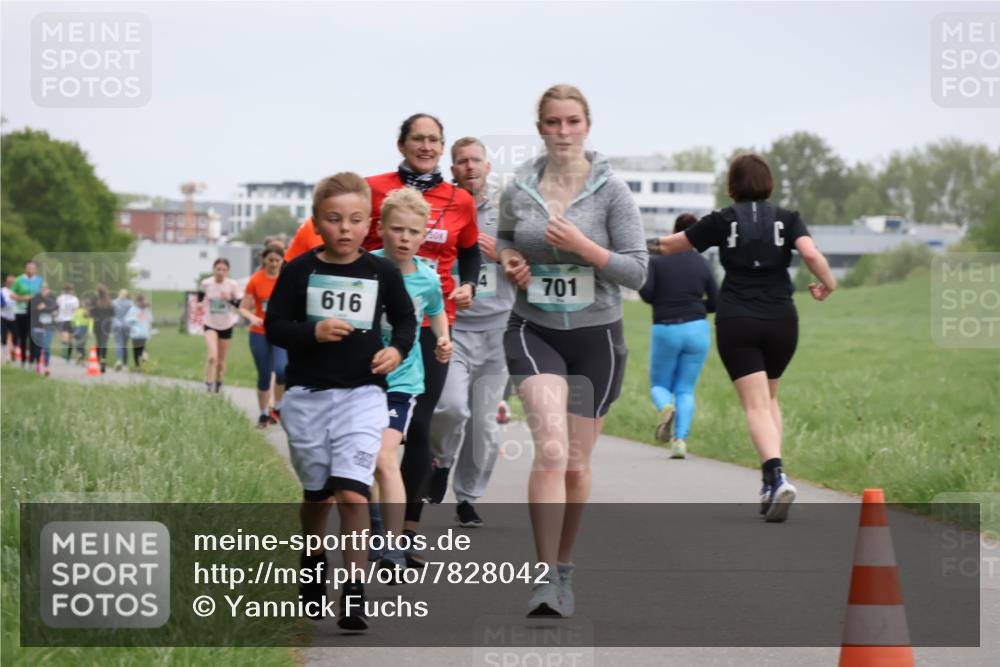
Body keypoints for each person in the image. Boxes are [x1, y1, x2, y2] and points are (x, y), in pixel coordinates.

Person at [287, 113, 481, 550]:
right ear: (401, 144)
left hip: (430, 319)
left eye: (434, 140)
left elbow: (470, 254)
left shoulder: (460, 201)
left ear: (441, 146)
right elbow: (334, 228)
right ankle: (374, 523)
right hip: (370, 322)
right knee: (374, 433)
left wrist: (467, 285)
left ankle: (405, 532)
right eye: (418, 139)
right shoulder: (373, 188)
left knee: (424, 421)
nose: (426, 146)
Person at [496, 84, 648, 617]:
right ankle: (541, 578)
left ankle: (563, 568)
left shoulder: (613, 192)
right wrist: (513, 259)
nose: (563, 132)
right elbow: (502, 240)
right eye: (553, 123)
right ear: (540, 128)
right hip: (533, 329)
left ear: (588, 125)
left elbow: (638, 269)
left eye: (572, 122)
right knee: (553, 449)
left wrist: (584, 248)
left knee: (578, 461)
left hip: (597, 336)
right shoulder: (519, 185)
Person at [647, 152, 837, 523]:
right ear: (769, 183)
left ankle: (775, 474)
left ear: (732, 186)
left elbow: (670, 245)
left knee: (755, 406)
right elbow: (811, 253)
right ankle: (772, 483)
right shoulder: (788, 218)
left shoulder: (723, 219)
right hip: (782, 319)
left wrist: (621, 246)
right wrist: (828, 283)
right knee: (769, 398)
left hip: (739, 320)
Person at [265, 172, 416, 630]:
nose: (345, 229)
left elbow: (407, 323)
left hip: (364, 395)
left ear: (368, 222)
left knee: (352, 489)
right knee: (318, 495)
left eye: (354, 220)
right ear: (317, 222)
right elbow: (274, 326)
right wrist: (312, 331)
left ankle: (354, 588)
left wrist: (397, 350)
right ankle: (313, 563)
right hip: (308, 397)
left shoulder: (381, 272)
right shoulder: (299, 271)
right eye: (334, 220)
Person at [427, 137, 516, 528]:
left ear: (488, 167)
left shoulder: (509, 211)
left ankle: (468, 497)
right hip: (454, 326)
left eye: (476, 160)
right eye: (461, 161)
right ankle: (440, 461)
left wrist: (504, 253)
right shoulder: (444, 207)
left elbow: (534, 261)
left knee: (483, 422)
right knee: (450, 408)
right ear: (453, 168)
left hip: (499, 328)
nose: (469, 167)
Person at [369, 187, 452, 572]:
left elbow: (436, 311)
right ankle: (372, 530)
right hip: (362, 377)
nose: (404, 238)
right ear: (381, 228)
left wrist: (443, 338)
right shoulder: (364, 267)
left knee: (385, 455)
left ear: (424, 236)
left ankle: (391, 542)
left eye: (413, 232)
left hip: (403, 380)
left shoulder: (427, 277)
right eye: (397, 229)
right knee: (365, 459)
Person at [639, 213, 719, 458]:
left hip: (666, 328)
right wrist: (694, 309)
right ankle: (679, 442)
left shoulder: (657, 260)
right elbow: (715, 301)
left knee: (659, 385)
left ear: (675, 232)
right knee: (685, 389)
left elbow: (647, 294)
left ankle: (666, 408)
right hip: (697, 330)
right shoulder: (703, 264)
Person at [239, 245, 288, 428]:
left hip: (280, 331)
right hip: (259, 333)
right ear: (264, 260)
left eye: (278, 260)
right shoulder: (256, 280)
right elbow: (243, 307)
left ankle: (278, 407)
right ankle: (263, 414)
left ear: (282, 261)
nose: (274, 264)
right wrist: (252, 317)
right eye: (270, 260)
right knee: (264, 375)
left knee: (282, 369)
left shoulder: (286, 278)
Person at [199, 258, 242, 393]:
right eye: (218, 269)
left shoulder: (232, 285)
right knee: (212, 356)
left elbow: (241, 305)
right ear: (214, 269)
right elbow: (199, 299)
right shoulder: (206, 283)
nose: (221, 272)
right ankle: (208, 385)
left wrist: (230, 299)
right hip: (210, 323)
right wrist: (201, 305)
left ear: (228, 271)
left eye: (224, 270)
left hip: (226, 324)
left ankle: (218, 383)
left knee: (221, 361)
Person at [11, 261, 43, 368]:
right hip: (21, 311)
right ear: (25, 268)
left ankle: (32, 360)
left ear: (36, 269)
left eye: (32, 268)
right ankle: (23, 360)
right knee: (23, 337)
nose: (30, 269)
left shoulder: (39, 280)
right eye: (28, 267)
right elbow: (12, 294)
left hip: (34, 312)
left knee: (32, 336)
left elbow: (44, 294)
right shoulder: (19, 279)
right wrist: (22, 298)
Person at [29, 285, 58, 376]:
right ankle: (37, 364)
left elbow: (55, 309)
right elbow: (31, 311)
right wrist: (38, 309)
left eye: (46, 289)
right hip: (37, 326)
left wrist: (44, 308)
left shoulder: (52, 300)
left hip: (48, 326)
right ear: (40, 290)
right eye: (43, 289)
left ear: (49, 290)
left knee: (46, 347)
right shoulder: (34, 300)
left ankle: (46, 367)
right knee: (37, 347)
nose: (44, 291)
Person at [90, 284, 115, 374]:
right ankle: (103, 360)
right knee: (104, 343)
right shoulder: (109, 301)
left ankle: (97, 360)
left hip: (97, 323)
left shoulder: (95, 300)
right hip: (107, 324)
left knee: (98, 342)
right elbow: (113, 313)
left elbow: (91, 312)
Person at [125, 293, 153, 370]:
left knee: (136, 350)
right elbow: (150, 320)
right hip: (144, 332)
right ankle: (144, 359)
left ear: (136, 300)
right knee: (142, 347)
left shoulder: (133, 309)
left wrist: (133, 320)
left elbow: (127, 320)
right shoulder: (147, 310)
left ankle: (137, 365)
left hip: (136, 333)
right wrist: (149, 330)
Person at [56, 283, 80, 363]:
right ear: (71, 291)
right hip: (72, 320)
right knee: (70, 339)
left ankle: (65, 353)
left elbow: (57, 308)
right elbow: (76, 310)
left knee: (65, 338)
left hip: (62, 320)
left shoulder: (59, 298)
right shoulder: (75, 299)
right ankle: (68, 356)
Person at [112, 288, 133, 371]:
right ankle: (126, 364)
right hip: (127, 326)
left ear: (119, 293)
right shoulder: (130, 303)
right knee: (125, 345)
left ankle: (119, 361)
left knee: (119, 344)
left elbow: (112, 314)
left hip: (117, 325)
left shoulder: (114, 303)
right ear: (126, 295)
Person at [70, 298, 93, 364]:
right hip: (85, 329)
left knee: (77, 343)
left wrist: (73, 327)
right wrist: (90, 332)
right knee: (82, 344)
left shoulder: (78, 311)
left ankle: (79, 354)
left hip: (77, 328)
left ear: (83, 304)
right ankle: (81, 358)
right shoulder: (89, 312)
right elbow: (91, 322)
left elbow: (73, 319)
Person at [2, 276, 16, 362]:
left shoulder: (17, 291)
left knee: (15, 336)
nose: (12, 283)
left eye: (13, 282)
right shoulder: (2, 291)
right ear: (6, 282)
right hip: (3, 316)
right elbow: (2, 304)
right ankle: (6, 354)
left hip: (15, 317)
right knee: (4, 336)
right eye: (10, 282)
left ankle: (12, 351)